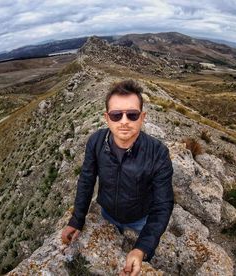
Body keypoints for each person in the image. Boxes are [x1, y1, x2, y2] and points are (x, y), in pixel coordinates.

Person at [61, 79, 174, 275]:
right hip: (107, 215)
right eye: (116, 115)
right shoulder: (96, 142)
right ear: (107, 118)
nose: (124, 121)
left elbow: (163, 203)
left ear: (142, 117)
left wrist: (141, 249)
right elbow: (86, 181)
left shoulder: (158, 152)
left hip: (141, 219)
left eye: (132, 115)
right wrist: (77, 220)